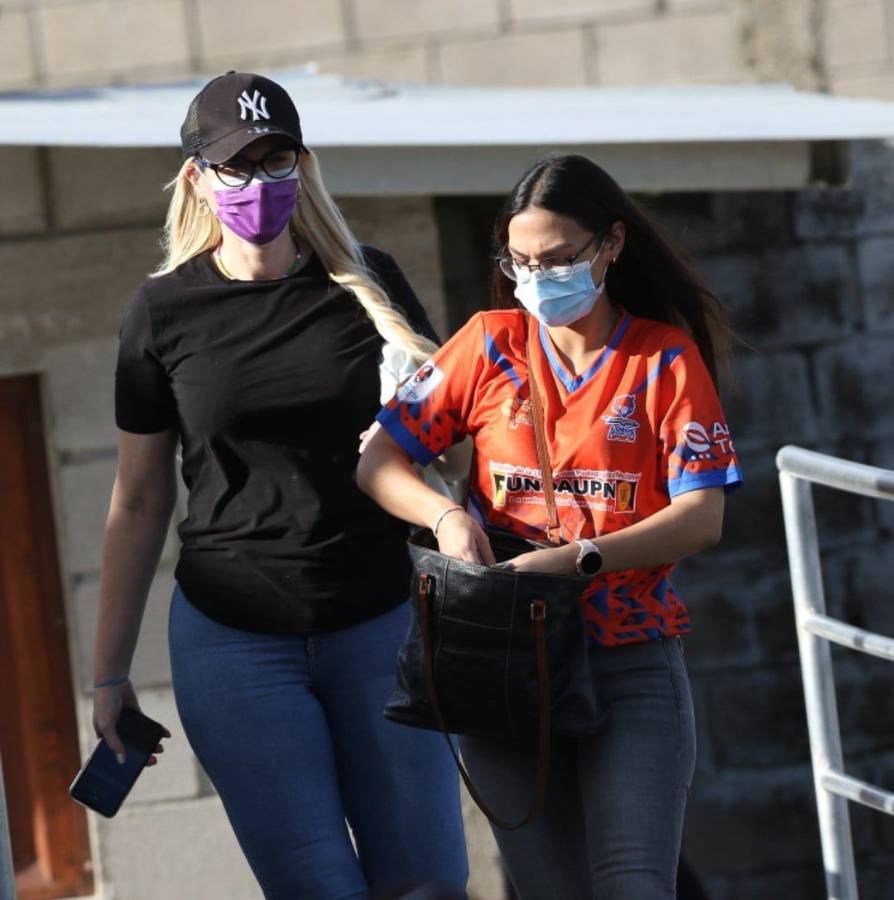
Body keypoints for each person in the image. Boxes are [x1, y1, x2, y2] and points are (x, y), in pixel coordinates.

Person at [90, 71, 468, 900]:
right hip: (236, 644)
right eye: (237, 163)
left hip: (380, 624)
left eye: (277, 158)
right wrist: (110, 675)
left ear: (304, 164)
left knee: (430, 886)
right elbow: (140, 498)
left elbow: (451, 454)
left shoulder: (369, 286)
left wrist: (428, 423)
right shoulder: (160, 313)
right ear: (197, 177)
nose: (259, 181)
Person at [357, 154, 743, 900]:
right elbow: (377, 462)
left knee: (634, 885)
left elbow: (703, 517)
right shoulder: (488, 344)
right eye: (521, 260)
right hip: (503, 657)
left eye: (561, 258)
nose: (539, 277)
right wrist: (445, 518)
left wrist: (576, 561)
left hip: (629, 655)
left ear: (612, 245)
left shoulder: (665, 358)